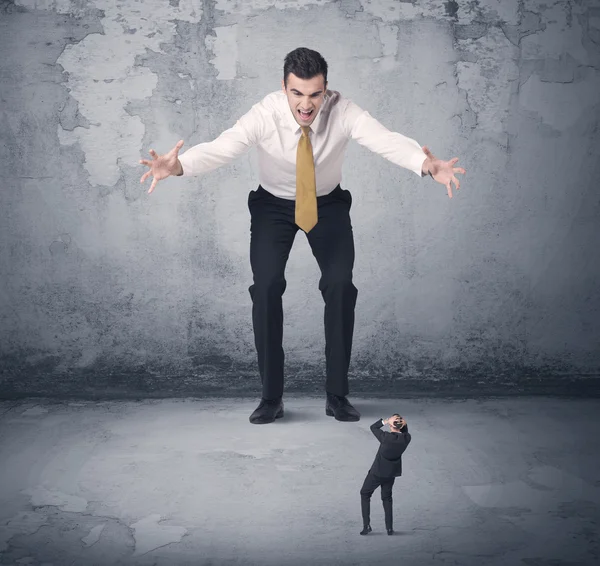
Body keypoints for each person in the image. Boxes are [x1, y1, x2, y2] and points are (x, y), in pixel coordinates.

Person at [139, 47, 465, 425]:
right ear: (284, 88)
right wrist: (179, 165)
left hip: (326, 205)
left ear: (326, 90)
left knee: (341, 285)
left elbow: (384, 139)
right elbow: (222, 148)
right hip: (273, 207)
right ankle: (271, 398)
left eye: (314, 94)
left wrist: (424, 164)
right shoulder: (265, 114)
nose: (306, 104)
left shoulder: (343, 110)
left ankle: (337, 395)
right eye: (297, 93)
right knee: (266, 288)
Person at [360, 414, 411, 535]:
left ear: (391, 425)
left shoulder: (386, 437)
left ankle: (366, 525)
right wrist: (402, 423)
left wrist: (386, 420)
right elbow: (404, 431)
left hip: (377, 473)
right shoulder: (406, 438)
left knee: (365, 494)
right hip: (391, 474)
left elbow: (373, 427)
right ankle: (389, 528)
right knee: (387, 498)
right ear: (402, 425)